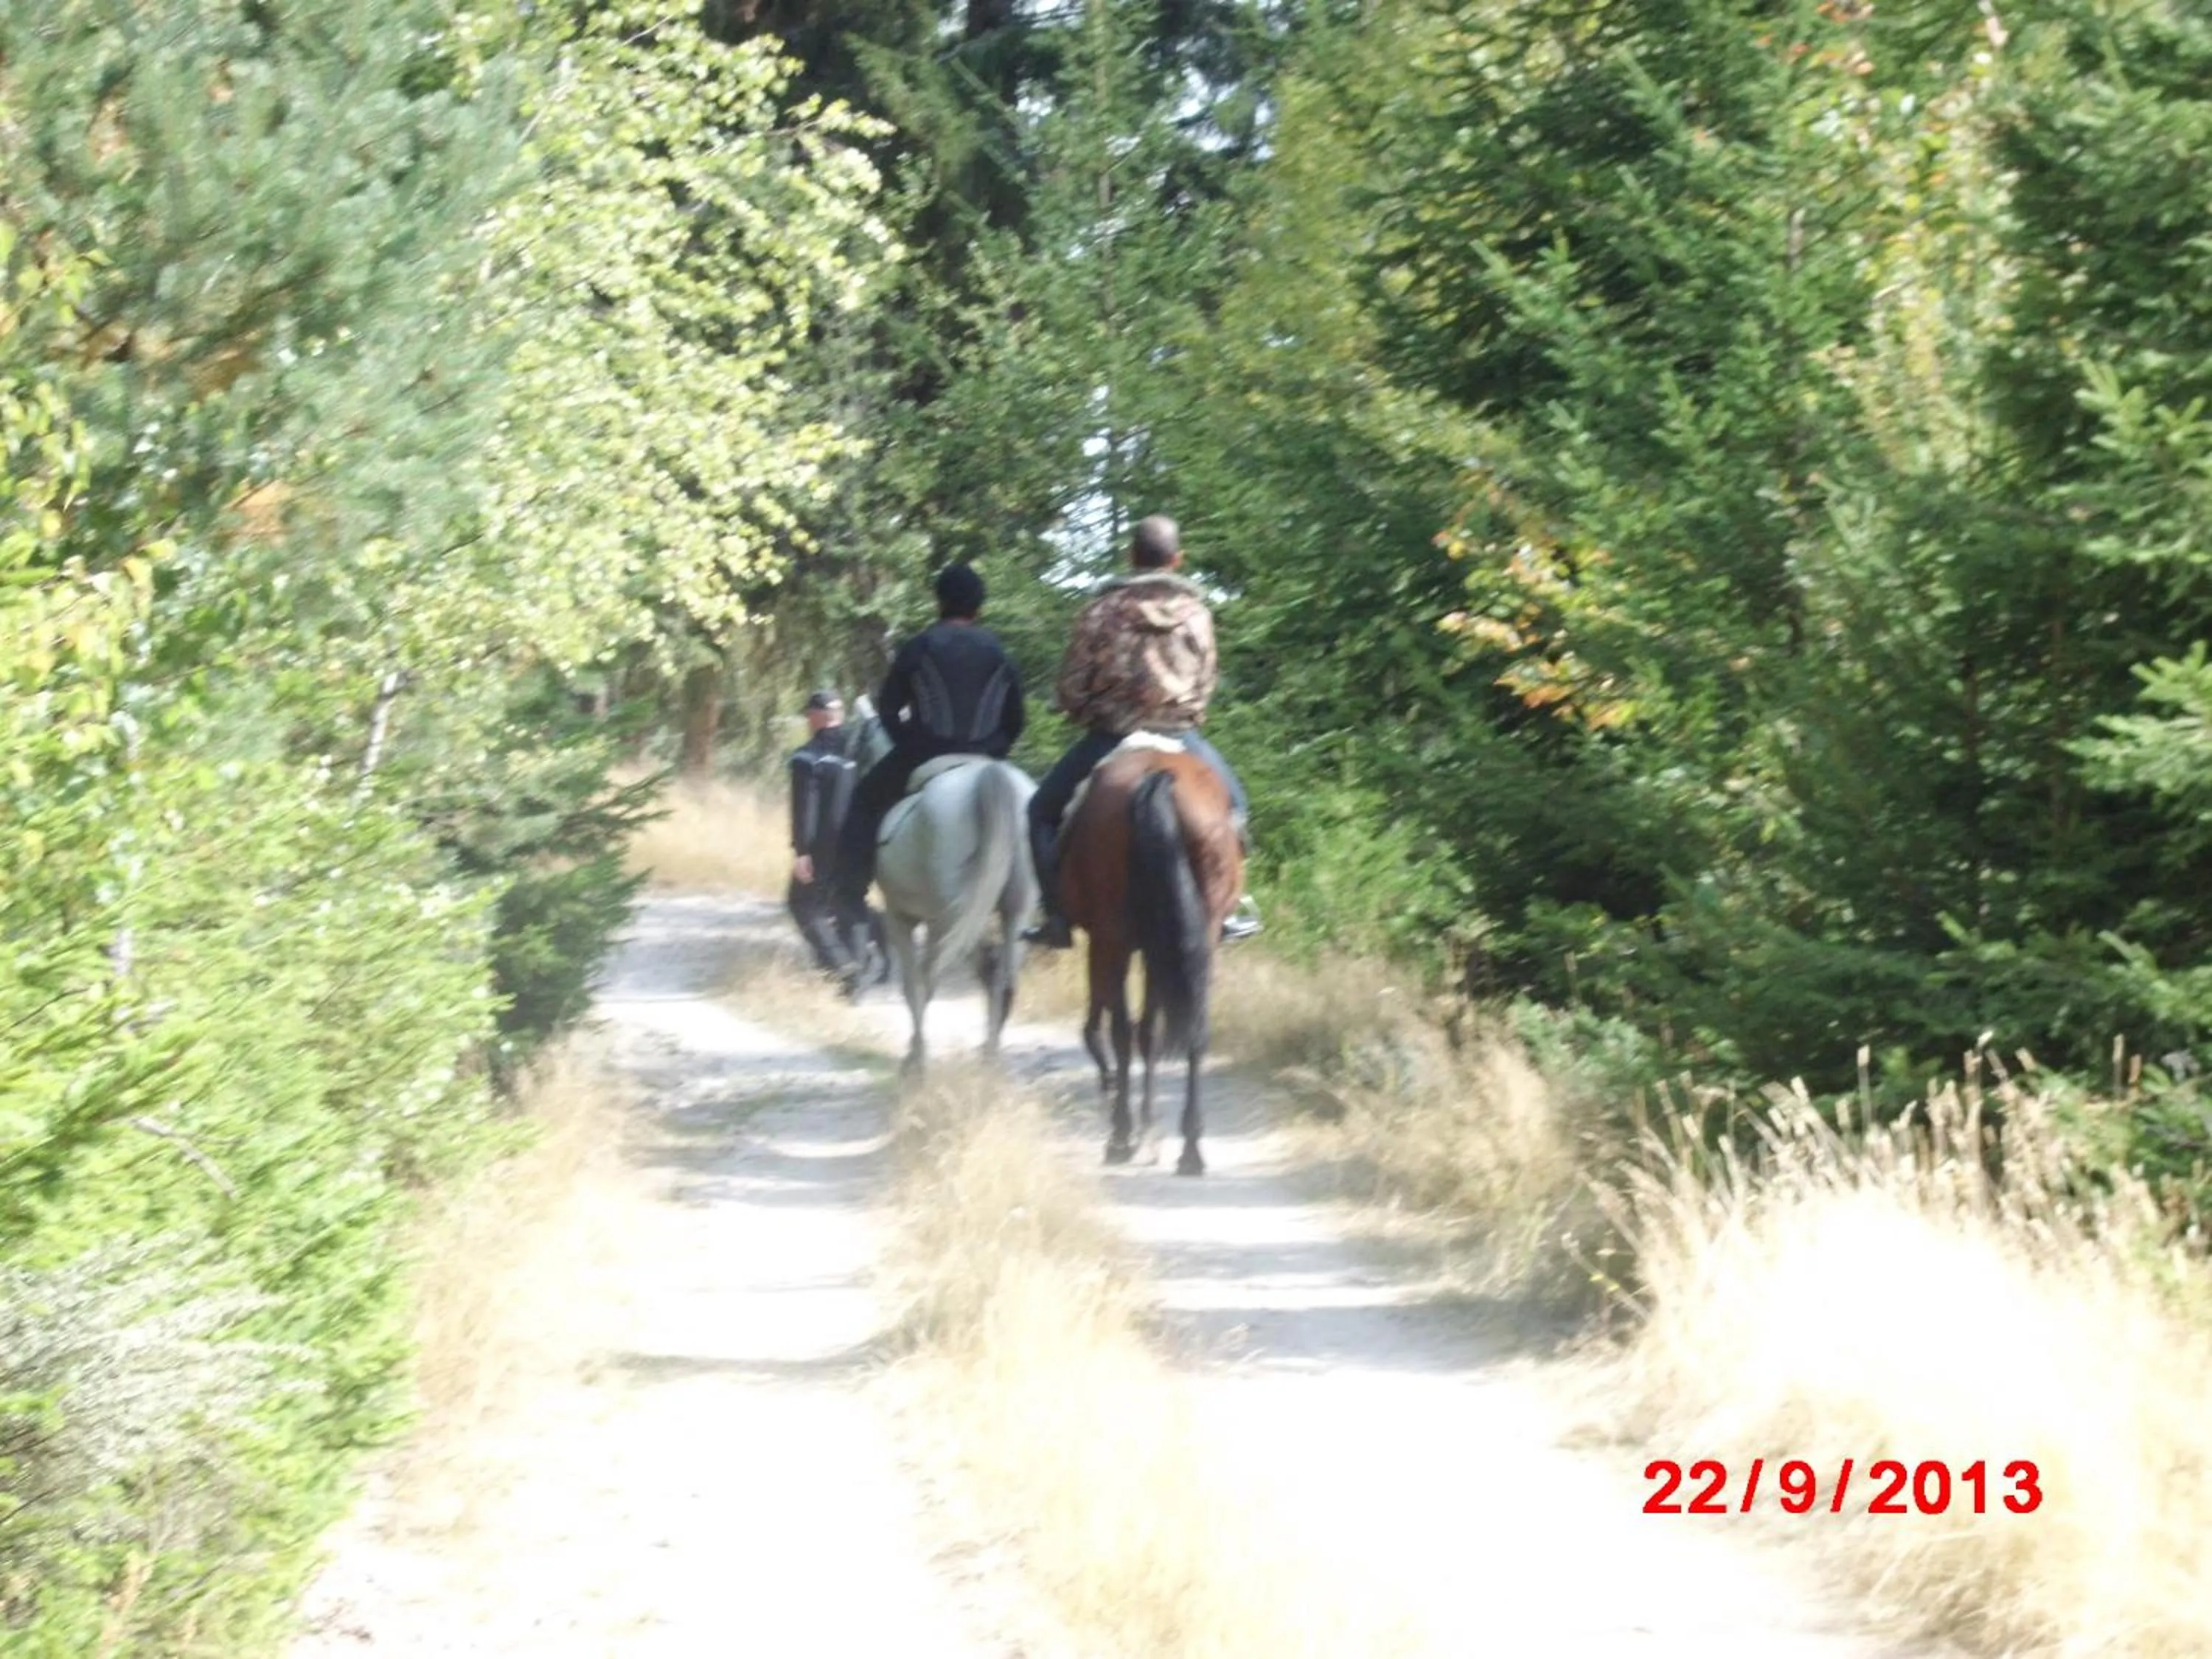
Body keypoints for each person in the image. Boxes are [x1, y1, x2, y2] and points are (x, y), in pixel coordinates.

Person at [1025, 514, 1261, 949]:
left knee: (1040, 812)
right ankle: (1229, 909)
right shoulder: (1198, 615)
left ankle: (1055, 914)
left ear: (1132, 557)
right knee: (1237, 809)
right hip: (1180, 735)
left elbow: (1073, 682)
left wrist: (1079, 708)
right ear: (1177, 559)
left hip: (1112, 735)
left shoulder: (1099, 611)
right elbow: (1206, 681)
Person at [829, 563, 1026, 938]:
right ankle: (1047, 904)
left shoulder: (919, 646)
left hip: (925, 755)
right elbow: (1016, 720)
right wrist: (994, 751)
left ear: (939, 602)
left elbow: (888, 708)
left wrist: (913, 745)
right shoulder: (999, 652)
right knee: (1036, 814)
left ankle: (850, 895)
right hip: (987, 760)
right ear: (979, 606)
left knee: (865, 801)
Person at [785, 689, 884, 984]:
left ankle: (844, 967)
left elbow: (806, 809)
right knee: (850, 902)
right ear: (838, 717)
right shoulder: (857, 753)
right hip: (861, 844)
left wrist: (802, 852)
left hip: (824, 849)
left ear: (816, 717)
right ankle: (860, 973)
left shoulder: (807, 758)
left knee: (803, 904)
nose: (807, 720)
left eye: (809, 715)